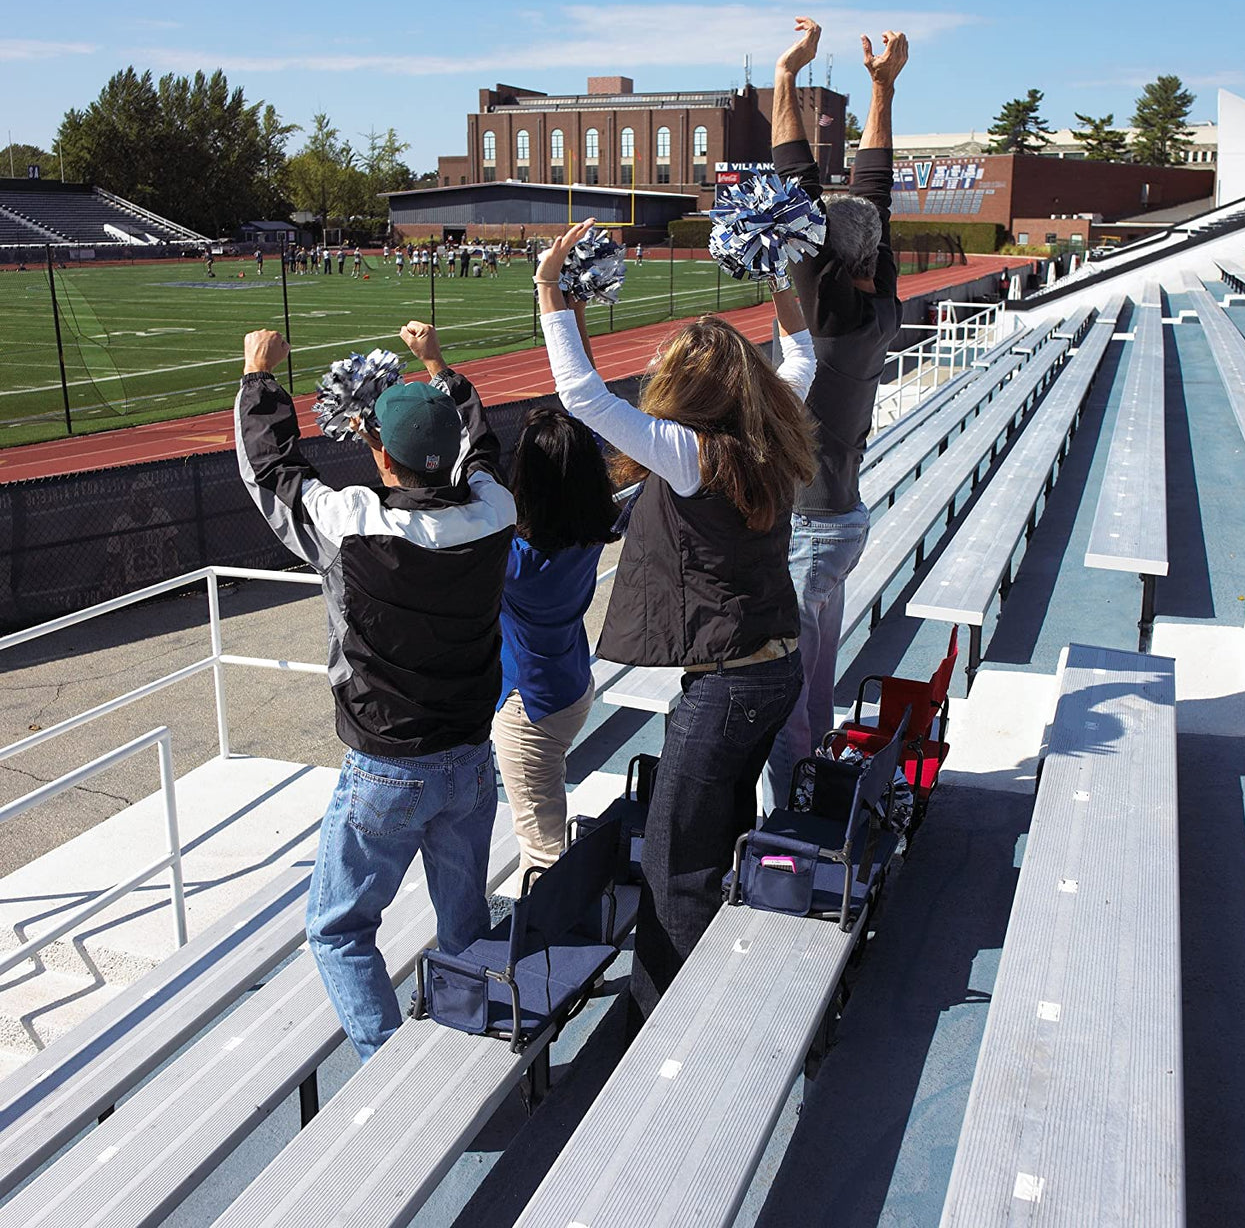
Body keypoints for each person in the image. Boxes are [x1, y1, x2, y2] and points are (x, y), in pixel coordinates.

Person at [535, 217, 817, 1026]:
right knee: (723, 826)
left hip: (728, 684)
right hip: (773, 667)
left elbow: (581, 396)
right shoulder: (768, 430)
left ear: (693, 389)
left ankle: (670, 1019)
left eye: (666, 366)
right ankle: (721, 974)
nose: (654, 370)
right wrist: (778, 278)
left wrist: (552, 292)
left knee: (674, 865)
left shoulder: (692, 455)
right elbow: (800, 361)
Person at [234, 320, 516, 1062]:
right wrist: (439, 366)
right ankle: (475, 1038)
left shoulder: (350, 523)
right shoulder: (495, 512)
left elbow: (272, 473)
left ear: (379, 454)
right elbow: (482, 449)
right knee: (464, 924)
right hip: (469, 762)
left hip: (385, 771)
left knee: (336, 928)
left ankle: (390, 1069)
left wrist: (260, 379)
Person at [762, 17, 909, 810]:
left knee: (784, 702)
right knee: (814, 690)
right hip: (842, 521)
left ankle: (794, 824)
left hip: (812, 530)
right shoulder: (878, 305)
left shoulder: (834, 321)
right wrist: (881, 91)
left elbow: (793, 185)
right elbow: (872, 196)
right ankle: (816, 799)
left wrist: (786, 77)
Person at [493, 407, 620, 875]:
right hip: (570, 687)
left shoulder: (515, 562)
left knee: (543, 848)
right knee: (546, 820)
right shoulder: (594, 532)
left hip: (532, 708)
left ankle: (558, 939)